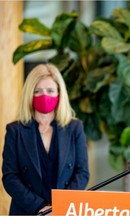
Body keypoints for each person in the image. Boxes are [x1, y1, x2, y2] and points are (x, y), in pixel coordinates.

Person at [2, 64, 90, 215]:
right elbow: (10, 177)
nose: (44, 96)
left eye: (50, 91)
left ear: (59, 93)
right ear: (30, 94)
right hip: (26, 210)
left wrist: (60, 207)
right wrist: (40, 207)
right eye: (38, 91)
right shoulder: (15, 130)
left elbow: (82, 173)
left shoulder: (75, 128)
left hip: (65, 211)